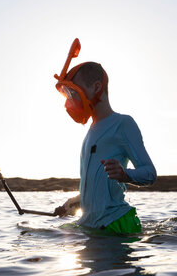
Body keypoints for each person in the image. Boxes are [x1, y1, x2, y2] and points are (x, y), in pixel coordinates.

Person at [53, 38, 157, 234]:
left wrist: (126, 175)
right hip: (91, 224)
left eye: (75, 92)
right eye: (69, 95)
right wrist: (75, 202)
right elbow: (96, 186)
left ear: (96, 87)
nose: (72, 100)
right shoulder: (90, 132)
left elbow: (150, 173)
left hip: (116, 224)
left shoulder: (122, 124)